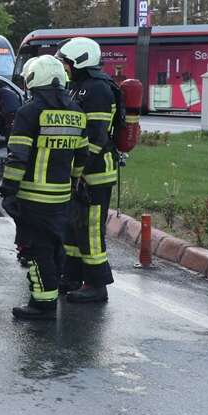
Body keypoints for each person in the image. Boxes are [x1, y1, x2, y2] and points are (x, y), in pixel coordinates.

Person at [0, 55, 88, 320]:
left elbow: (18, 155)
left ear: (34, 79)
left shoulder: (30, 112)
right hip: (61, 196)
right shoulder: (76, 112)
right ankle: (48, 298)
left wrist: (9, 189)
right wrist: (72, 182)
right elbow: (81, 156)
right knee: (55, 247)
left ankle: (43, 304)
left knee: (37, 250)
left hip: (32, 196)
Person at [57, 37, 120, 303]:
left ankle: (96, 284)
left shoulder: (98, 90)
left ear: (80, 61)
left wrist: (80, 171)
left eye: (68, 63)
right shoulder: (79, 87)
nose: (65, 68)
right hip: (81, 171)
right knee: (74, 228)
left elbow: (96, 138)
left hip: (96, 172)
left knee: (92, 229)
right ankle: (72, 275)